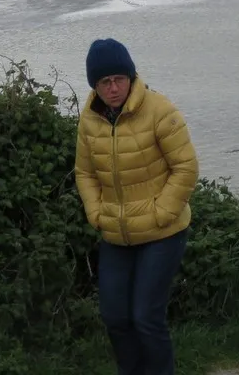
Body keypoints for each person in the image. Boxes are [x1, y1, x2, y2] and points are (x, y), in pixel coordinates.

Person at [74, 38, 199, 375]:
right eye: (104, 82)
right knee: (115, 317)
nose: (113, 88)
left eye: (119, 79)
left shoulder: (159, 110)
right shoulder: (90, 120)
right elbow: (85, 172)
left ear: (131, 76)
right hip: (116, 232)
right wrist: (96, 213)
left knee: (146, 317)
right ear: (95, 85)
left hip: (162, 232)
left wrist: (162, 213)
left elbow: (186, 167)